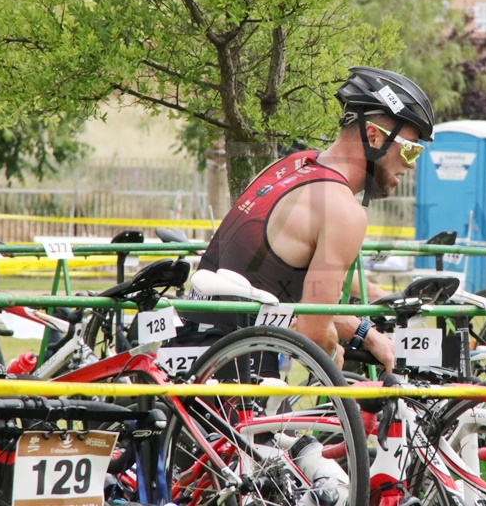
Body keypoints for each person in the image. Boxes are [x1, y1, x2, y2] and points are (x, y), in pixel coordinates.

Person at [183, 66, 435, 371]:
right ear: (373, 136)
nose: (411, 166)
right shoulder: (342, 210)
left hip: (191, 347)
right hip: (238, 373)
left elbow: (284, 288)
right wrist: (331, 350)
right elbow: (315, 330)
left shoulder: (291, 166)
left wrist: (367, 336)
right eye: (411, 151)